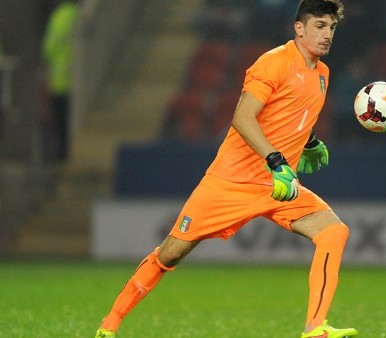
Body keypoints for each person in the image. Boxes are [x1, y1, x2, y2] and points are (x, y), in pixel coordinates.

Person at [94, 1, 358, 337]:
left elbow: (289, 114)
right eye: (319, 26)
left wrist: (309, 142)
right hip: (231, 181)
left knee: (334, 231)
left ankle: (314, 328)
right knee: (171, 253)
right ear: (299, 28)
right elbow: (243, 117)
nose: (327, 34)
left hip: (278, 187)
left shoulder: (322, 74)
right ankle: (110, 323)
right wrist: (277, 160)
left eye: (332, 27)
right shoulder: (273, 62)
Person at [42, 0, 78, 162]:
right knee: (69, 119)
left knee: (58, 120)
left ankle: (60, 154)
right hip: (76, 79)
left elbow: (48, 48)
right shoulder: (78, 15)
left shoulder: (59, 17)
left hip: (59, 80)